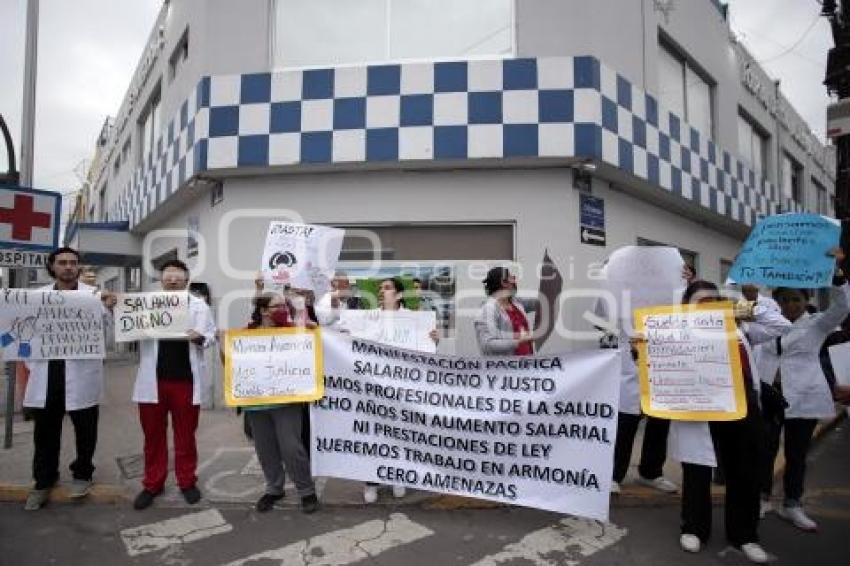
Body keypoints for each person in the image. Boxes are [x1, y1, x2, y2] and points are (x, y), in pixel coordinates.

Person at [668, 280, 785, 563]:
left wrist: (742, 306)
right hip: (698, 407)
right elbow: (652, 360)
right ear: (687, 306)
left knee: (745, 470)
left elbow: (781, 326)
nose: (706, 305)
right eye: (700, 300)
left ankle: (744, 535)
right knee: (697, 469)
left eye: (713, 299)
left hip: (741, 406)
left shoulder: (740, 328)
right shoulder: (676, 331)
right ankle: (694, 528)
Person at [757, 263, 850, 531]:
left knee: (796, 454)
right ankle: (762, 498)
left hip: (803, 395)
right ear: (776, 301)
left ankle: (792, 505)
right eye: (784, 299)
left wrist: (837, 274)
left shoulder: (818, 323)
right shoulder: (766, 321)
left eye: (796, 299)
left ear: (806, 300)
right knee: (765, 450)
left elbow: (843, 305)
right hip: (770, 395)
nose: (790, 305)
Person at [22, 247, 116, 511]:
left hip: (82, 374)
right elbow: (22, 334)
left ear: (79, 267)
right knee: (45, 434)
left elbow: (107, 338)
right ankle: (43, 481)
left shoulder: (94, 297)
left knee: (86, 431)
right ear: (52, 267)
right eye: (62, 263)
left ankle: (82, 474)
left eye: (73, 263)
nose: (68, 267)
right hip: (47, 374)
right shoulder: (35, 298)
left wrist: (108, 310)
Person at [132, 260, 216, 510]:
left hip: (186, 382)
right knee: (153, 436)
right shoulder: (145, 305)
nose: (172, 279)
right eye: (168, 275)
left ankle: (187, 481)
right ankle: (152, 484)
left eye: (178, 276)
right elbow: (127, 328)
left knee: (185, 435)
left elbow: (211, 336)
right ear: (161, 280)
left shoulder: (199, 306)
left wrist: (200, 338)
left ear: (186, 279)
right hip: (153, 381)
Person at [233, 291, 319, 514]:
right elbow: (233, 366)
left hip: (287, 402)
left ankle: (306, 490)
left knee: (292, 448)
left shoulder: (294, 331)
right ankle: (274, 488)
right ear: (263, 311)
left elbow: (315, 348)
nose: (283, 310)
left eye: (284, 306)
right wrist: (225, 349)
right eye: (277, 306)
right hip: (257, 403)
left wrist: (311, 329)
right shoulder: (245, 334)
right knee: (265, 449)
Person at [362, 276, 438, 503]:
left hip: (403, 388)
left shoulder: (414, 319)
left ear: (399, 294)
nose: (381, 291)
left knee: (400, 433)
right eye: (379, 288)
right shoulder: (368, 318)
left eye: (386, 288)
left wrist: (434, 340)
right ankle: (371, 481)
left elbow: (426, 352)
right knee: (372, 436)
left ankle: (399, 476)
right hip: (374, 387)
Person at [473, 267, 534, 356]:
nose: (514, 280)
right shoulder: (487, 310)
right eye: (512, 278)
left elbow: (539, 303)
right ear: (504, 282)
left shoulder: (516, 303)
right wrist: (519, 341)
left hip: (526, 366)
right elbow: (487, 345)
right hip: (505, 368)